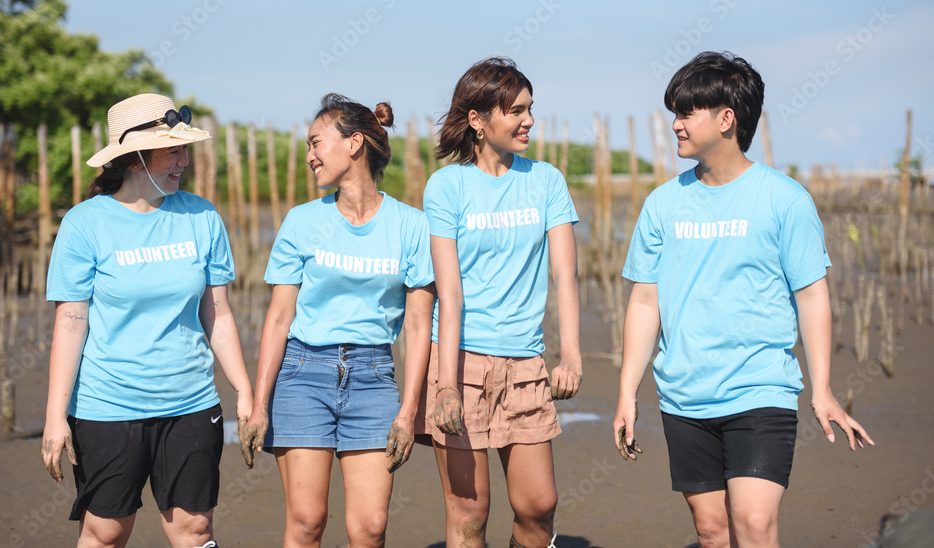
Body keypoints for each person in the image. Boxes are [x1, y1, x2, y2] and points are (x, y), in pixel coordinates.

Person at [613, 51, 874, 548]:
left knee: (753, 523)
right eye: (675, 113)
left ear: (726, 118)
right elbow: (646, 300)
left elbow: (812, 295)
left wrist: (821, 389)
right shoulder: (663, 204)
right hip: (684, 395)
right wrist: (628, 390)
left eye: (686, 112)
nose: (675, 125)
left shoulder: (785, 199)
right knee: (712, 532)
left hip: (760, 389)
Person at [42, 93, 253, 548]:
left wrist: (245, 389)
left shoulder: (201, 215)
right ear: (135, 159)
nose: (184, 161)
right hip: (107, 407)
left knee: (195, 530)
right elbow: (71, 324)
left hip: (192, 404)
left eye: (185, 148)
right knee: (106, 531)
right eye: (172, 150)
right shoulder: (85, 224)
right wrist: (55, 417)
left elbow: (216, 312)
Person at [240, 94, 434, 548]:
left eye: (316, 143)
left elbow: (419, 326)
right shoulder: (301, 221)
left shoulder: (411, 226)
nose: (309, 156)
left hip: (374, 377)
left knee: (369, 529)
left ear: (355, 144)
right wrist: (259, 404)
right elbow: (278, 318)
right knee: (307, 522)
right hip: (303, 375)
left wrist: (409, 412)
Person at [416, 57, 582, 548]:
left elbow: (565, 275)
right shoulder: (446, 186)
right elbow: (449, 293)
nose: (528, 120)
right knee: (470, 514)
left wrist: (569, 354)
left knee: (538, 507)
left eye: (530, 109)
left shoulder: (546, 180)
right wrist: (445, 385)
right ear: (478, 121)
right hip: (460, 363)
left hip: (525, 362)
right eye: (515, 110)